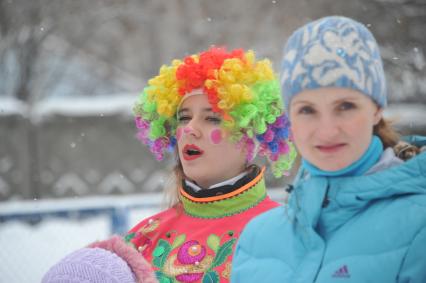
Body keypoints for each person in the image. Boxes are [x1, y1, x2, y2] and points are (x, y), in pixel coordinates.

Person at [42, 46, 297, 283]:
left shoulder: (290, 234)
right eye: (183, 118)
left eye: (212, 118)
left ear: (251, 136)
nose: (190, 129)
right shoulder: (142, 239)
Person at [231, 16, 426, 282]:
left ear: (377, 108)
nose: (327, 130)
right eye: (307, 110)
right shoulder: (257, 238)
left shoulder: (419, 226)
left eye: (345, 106)